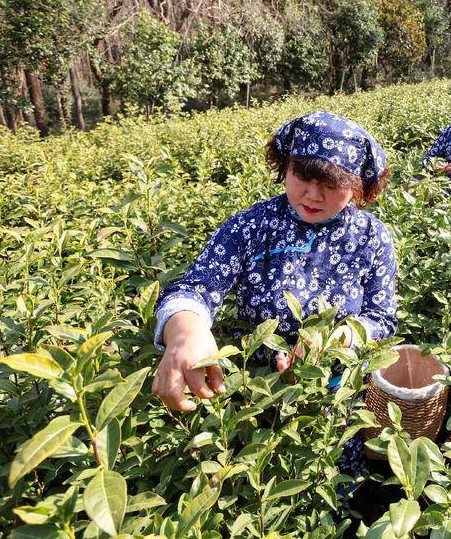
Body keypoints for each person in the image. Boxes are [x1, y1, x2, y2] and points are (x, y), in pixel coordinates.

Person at [150, 111, 397, 477]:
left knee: (329, 475)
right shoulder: (251, 225)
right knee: (258, 480)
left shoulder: (372, 238)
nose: (313, 194)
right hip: (254, 391)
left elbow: (382, 318)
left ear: (359, 185)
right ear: (286, 166)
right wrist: (186, 332)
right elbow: (195, 288)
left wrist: (338, 337)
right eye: (302, 176)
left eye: (331, 183)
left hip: (335, 391)